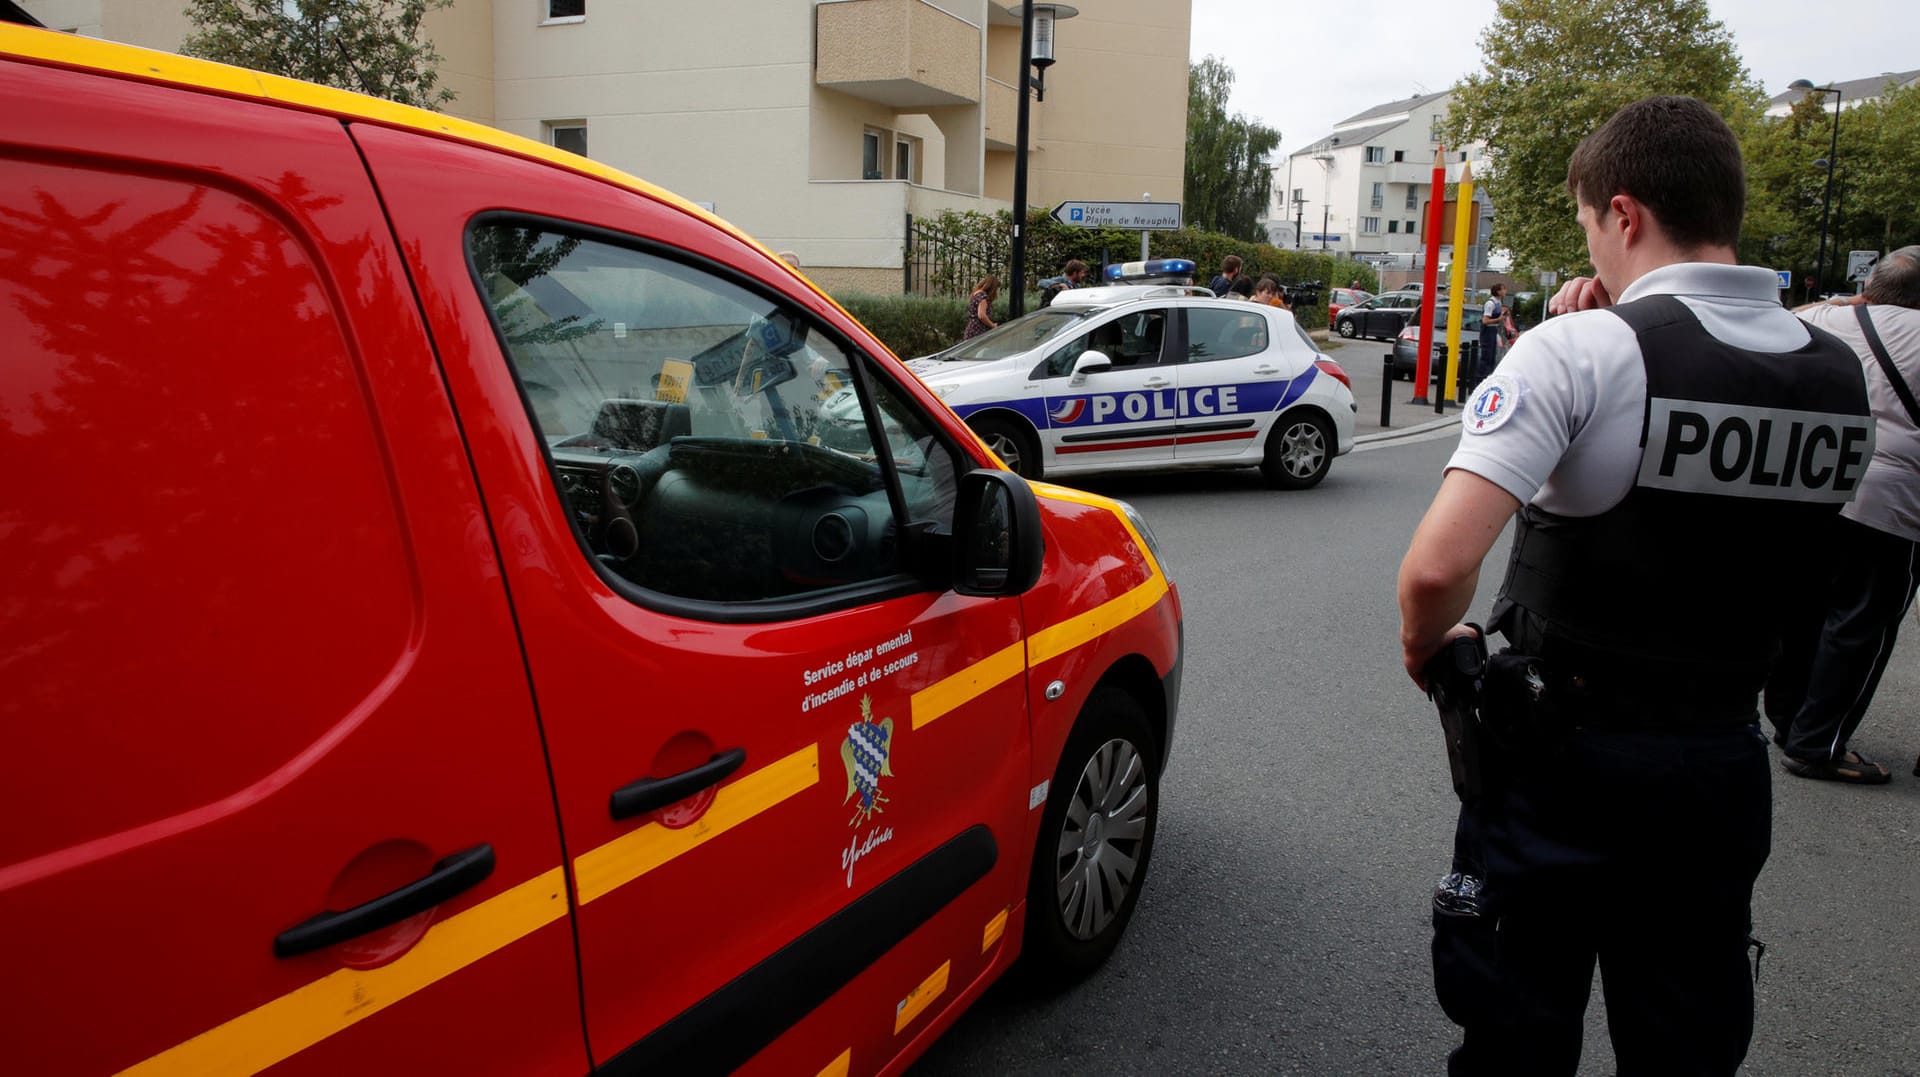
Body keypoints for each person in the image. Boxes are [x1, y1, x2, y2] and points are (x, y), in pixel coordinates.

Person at [1396, 96, 1872, 1076]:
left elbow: (1439, 568)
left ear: (1623, 213)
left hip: (1562, 754)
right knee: (1686, 1031)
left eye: (1586, 225)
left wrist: (1427, 649)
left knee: (1517, 1023)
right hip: (1718, 757)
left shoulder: (1581, 352)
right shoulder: (1836, 373)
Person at [1765, 246, 1920, 783]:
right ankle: (1818, 742)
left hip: (1812, 484)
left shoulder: (1821, 317)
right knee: (1861, 624)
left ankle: (1788, 718)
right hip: (1888, 502)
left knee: (1803, 609)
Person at [1478, 283, 1507, 380]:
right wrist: (1498, 319)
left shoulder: (1498, 302)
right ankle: (1482, 378)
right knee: (1487, 355)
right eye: (1503, 289)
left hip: (1494, 329)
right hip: (1488, 330)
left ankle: (1489, 376)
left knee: (1492, 356)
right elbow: (1485, 321)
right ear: (1498, 291)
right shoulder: (1490, 303)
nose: (1505, 291)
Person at [962, 275, 998, 339]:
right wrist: (992, 325)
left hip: (972, 328)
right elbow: (981, 315)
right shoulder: (983, 297)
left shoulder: (976, 294)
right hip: (978, 330)